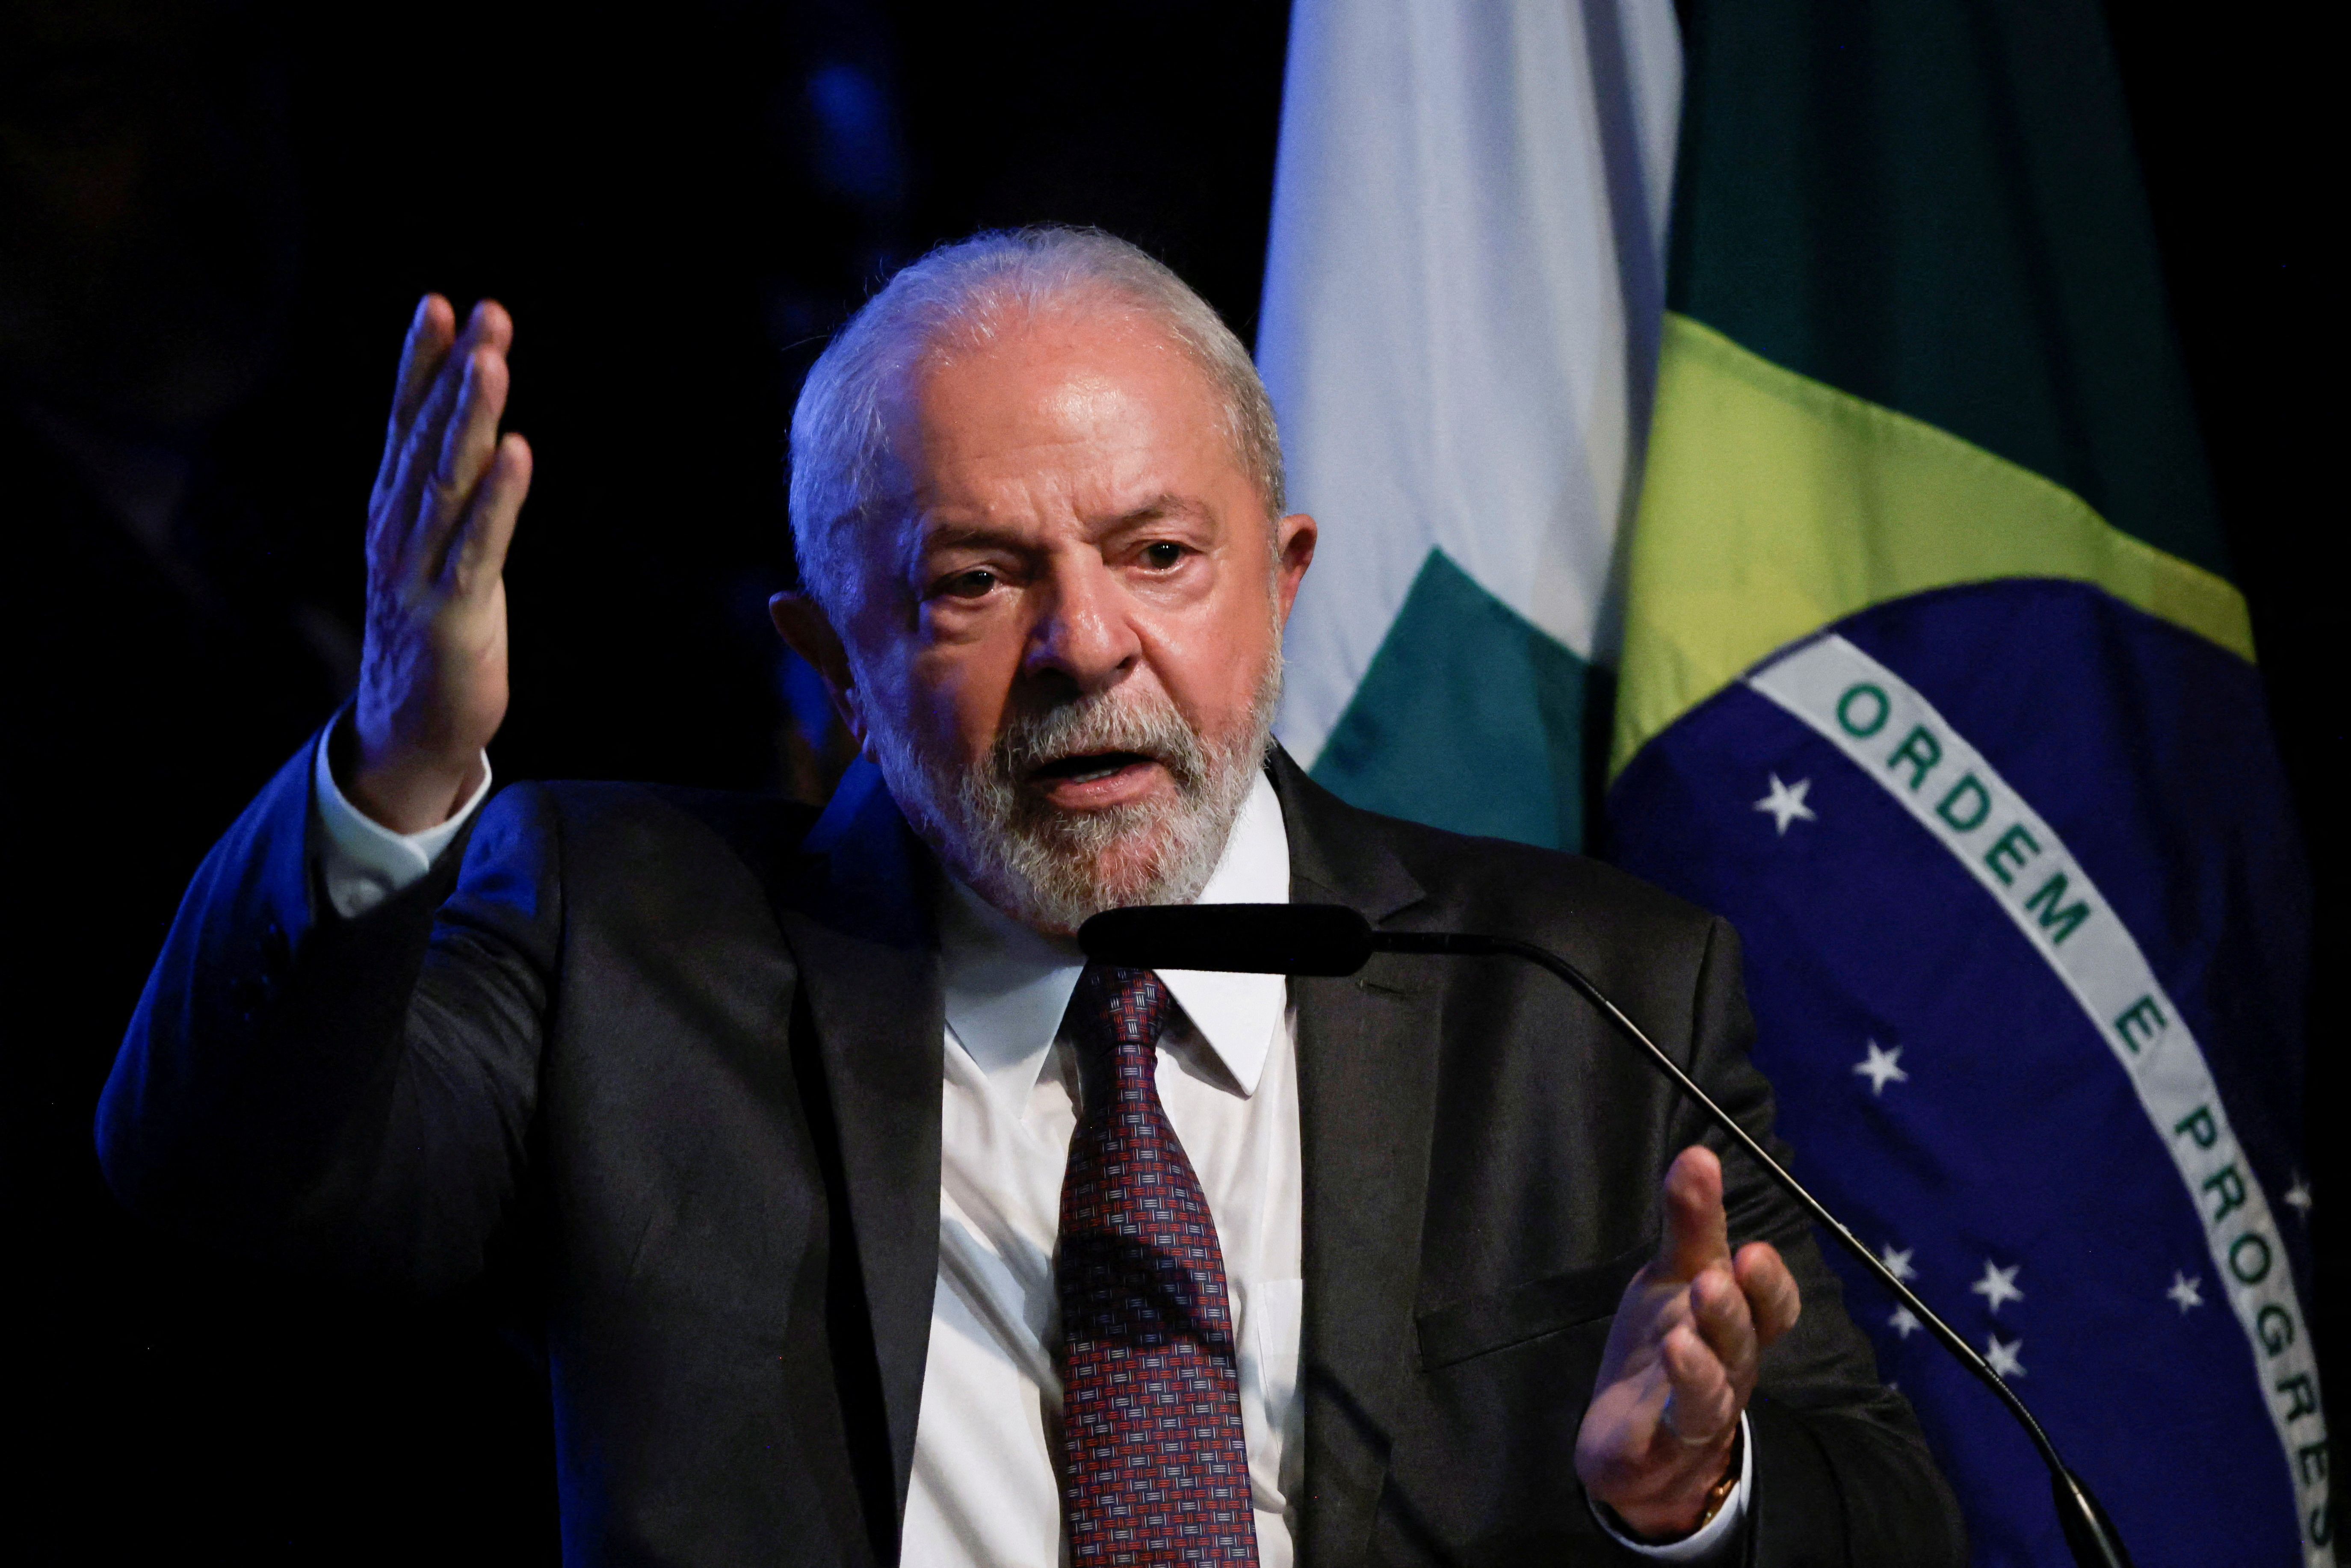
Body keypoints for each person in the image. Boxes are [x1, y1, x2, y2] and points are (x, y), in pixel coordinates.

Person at [100, 227, 1962, 1565]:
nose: (1089, 643)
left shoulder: (1582, 989)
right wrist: (396, 764)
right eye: (973, 581)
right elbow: (228, 1193)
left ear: (1284, 575)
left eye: (1160, 552)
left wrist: (1686, 1496)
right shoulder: (622, 931)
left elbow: (1886, 1510)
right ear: (829, 651)